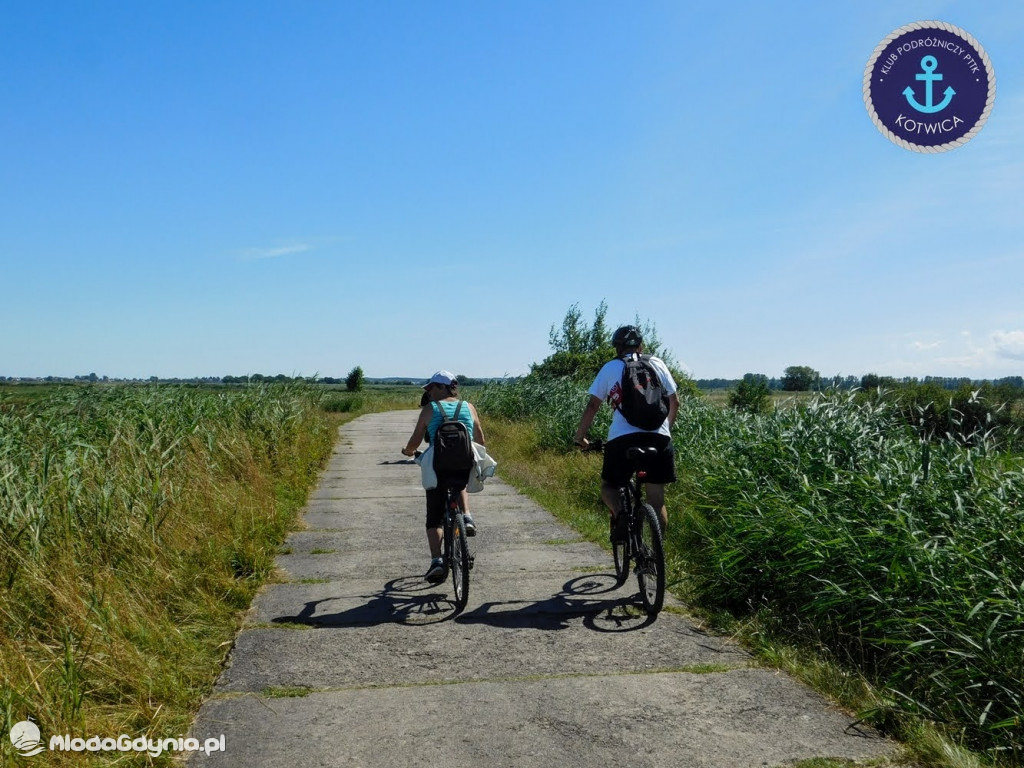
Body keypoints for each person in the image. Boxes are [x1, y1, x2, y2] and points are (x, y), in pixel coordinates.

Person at [573, 325, 679, 537]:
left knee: (609, 486)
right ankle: (657, 552)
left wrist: (580, 437)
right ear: (641, 345)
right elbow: (674, 402)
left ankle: (621, 514)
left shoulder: (611, 367)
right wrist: (664, 431)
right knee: (657, 501)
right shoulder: (657, 363)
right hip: (659, 439)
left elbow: (593, 405)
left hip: (623, 439)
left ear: (617, 347)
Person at [402, 370, 486, 583]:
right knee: (461, 483)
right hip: (463, 463)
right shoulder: (469, 407)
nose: (429, 393)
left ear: (442, 387)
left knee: (434, 515)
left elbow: (415, 440)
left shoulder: (430, 409)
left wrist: (408, 451)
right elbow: (480, 439)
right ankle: (467, 516)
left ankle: (437, 561)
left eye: (431, 388)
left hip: (438, 465)